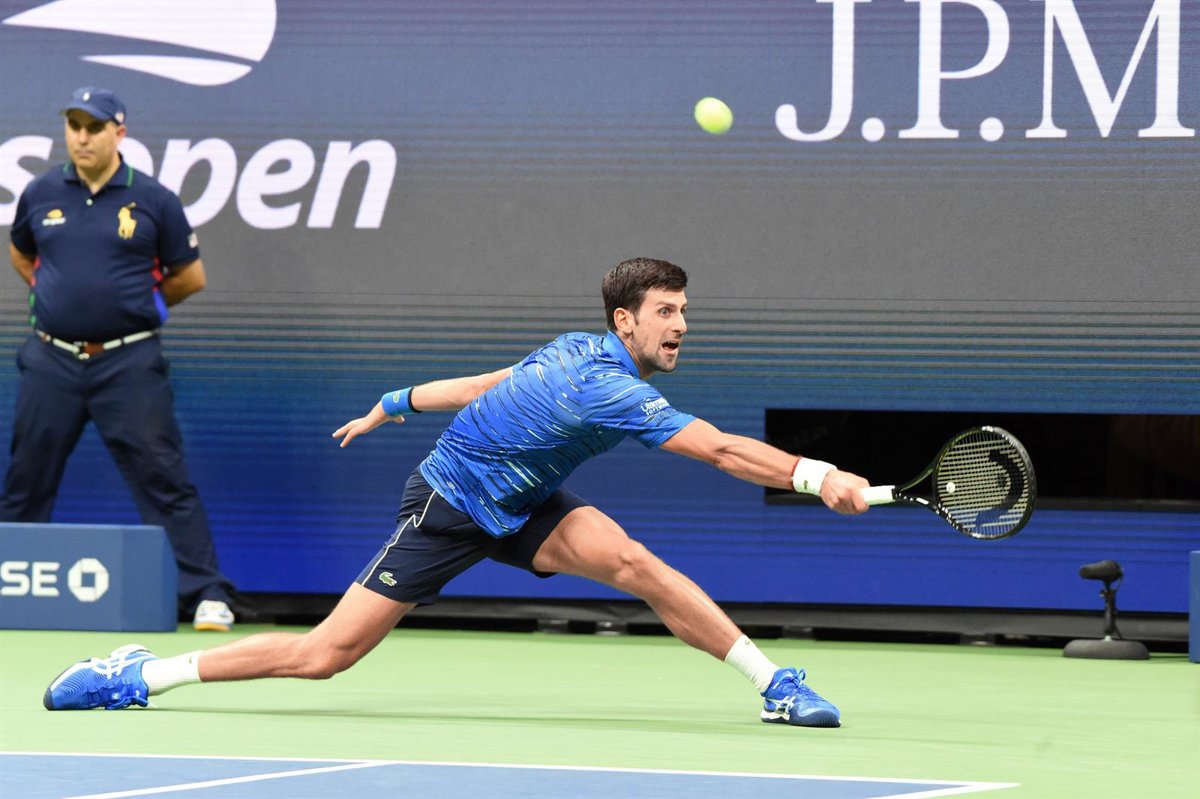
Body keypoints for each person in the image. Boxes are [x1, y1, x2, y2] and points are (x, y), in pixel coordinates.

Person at [42, 258, 871, 727]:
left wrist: (396, 401)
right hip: (450, 505)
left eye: (684, 310)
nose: (680, 324)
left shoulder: (574, 346)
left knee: (635, 563)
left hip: (525, 502)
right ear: (625, 321)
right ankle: (142, 674)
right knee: (325, 655)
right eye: (665, 311)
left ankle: (773, 685)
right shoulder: (610, 388)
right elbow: (720, 449)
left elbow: (486, 384)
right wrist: (818, 474)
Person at [2, 87, 237, 631]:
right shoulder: (40, 192)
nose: (81, 137)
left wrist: (136, 308)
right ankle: (8, 585)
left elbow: (189, 276)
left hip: (128, 363)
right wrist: (55, 299)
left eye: (94, 127)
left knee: (163, 477)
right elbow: (21, 252)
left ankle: (205, 593)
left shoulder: (153, 199)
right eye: (74, 126)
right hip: (51, 360)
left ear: (119, 133)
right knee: (26, 477)